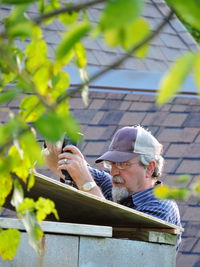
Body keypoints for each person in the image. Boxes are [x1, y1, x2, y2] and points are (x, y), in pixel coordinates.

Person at [44, 125, 182, 248]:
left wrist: (87, 184)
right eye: (111, 164)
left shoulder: (161, 206)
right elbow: (66, 168)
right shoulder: (114, 184)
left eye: (123, 164)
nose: (114, 172)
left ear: (149, 168)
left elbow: (113, 244)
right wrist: (53, 146)